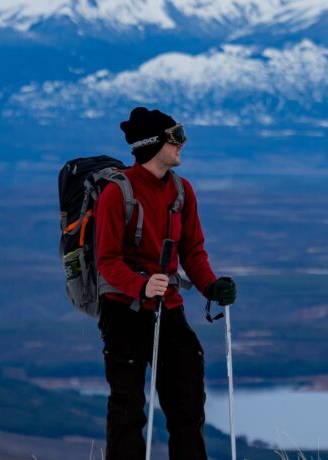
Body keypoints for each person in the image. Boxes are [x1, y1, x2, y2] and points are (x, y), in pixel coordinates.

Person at [94, 106, 237, 460]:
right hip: (124, 312)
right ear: (154, 144)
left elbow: (193, 252)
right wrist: (140, 286)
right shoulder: (117, 194)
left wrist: (211, 286)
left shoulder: (182, 191)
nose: (182, 145)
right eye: (176, 137)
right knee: (128, 410)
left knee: (187, 407)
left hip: (168, 309)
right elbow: (107, 261)